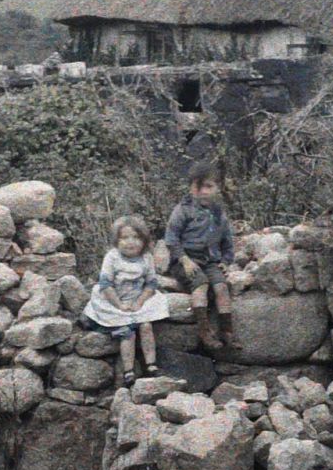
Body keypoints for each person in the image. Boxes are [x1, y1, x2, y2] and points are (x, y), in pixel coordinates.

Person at [80, 215, 171, 383]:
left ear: (144, 240)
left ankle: (151, 364)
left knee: (146, 326)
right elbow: (106, 284)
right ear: (116, 241)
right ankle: (128, 370)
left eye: (136, 237)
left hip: (137, 300)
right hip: (113, 300)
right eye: (125, 238)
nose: (130, 242)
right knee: (126, 332)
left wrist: (140, 302)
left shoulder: (146, 257)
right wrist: (119, 304)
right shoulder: (112, 257)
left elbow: (151, 283)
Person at [164, 160, 236, 351]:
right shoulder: (183, 210)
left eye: (209, 186)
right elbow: (171, 238)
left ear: (217, 188)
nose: (203, 191)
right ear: (191, 188)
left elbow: (227, 242)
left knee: (221, 287)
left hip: (210, 261)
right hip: (186, 260)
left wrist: (226, 261)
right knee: (201, 284)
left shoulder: (219, 214)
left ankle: (227, 332)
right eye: (198, 187)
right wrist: (184, 260)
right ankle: (205, 331)